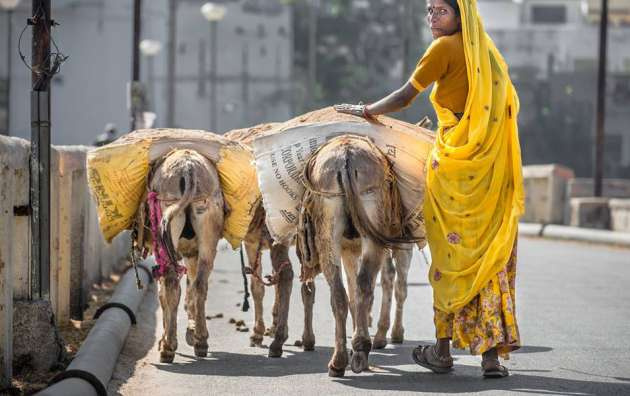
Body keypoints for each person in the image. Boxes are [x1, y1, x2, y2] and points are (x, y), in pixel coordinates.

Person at [335, 0, 524, 378]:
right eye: (429, 9)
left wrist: (365, 110)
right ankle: (489, 358)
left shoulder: (443, 49)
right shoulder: (488, 52)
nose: (433, 18)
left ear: (461, 15)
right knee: (488, 256)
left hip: (453, 167)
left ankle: (442, 351)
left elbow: (407, 96)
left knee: (449, 258)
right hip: (489, 171)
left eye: (441, 10)